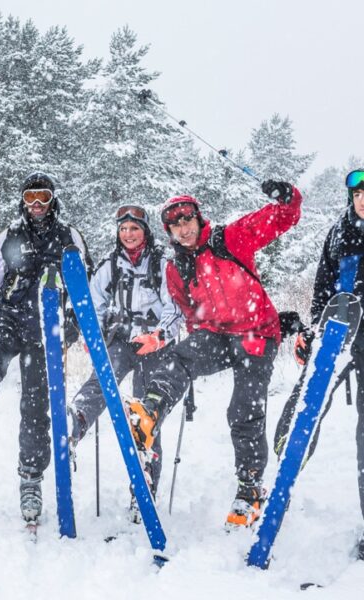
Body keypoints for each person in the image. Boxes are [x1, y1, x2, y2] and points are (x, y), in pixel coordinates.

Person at [127, 180, 302, 528]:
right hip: (217, 334)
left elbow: (282, 218)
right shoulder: (177, 268)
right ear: (169, 231)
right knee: (178, 357)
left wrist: (287, 198)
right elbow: (188, 311)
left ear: (198, 217)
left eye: (187, 219)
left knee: (242, 411)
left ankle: (250, 490)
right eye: (175, 224)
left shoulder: (230, 238)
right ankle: (149, 413)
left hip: (256, 334)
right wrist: (197, 338)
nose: (183, 227)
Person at [0, 171, 91, 523]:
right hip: (11, 314)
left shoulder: (69, 236)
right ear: (22, 201)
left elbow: (85, 287)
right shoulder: (10, 235)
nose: (36, 205)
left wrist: (70, 325)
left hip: (45, 325)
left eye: (43, 198)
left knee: (36, 403)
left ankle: (31, 478)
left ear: (53, 200)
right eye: (30, 198)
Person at [68, 204, 182, 520]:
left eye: (134, 228)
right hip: (120, 339)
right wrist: (93, 336)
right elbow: (94, 302)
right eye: (123, 229)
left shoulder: (162, 263)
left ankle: (144, 487)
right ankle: (75, 422)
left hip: (154, 343)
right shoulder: (110, 264)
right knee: (101, 381)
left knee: (147, 414)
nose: (128, 234)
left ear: (145, 231)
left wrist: (160, 336)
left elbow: (174, 306)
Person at [274, 169, 364, 559]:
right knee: (301, 413)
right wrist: (311, 332)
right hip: (339, 336)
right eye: (359, 193)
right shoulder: (340, 232)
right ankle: (278, 486)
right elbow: (324, 287)